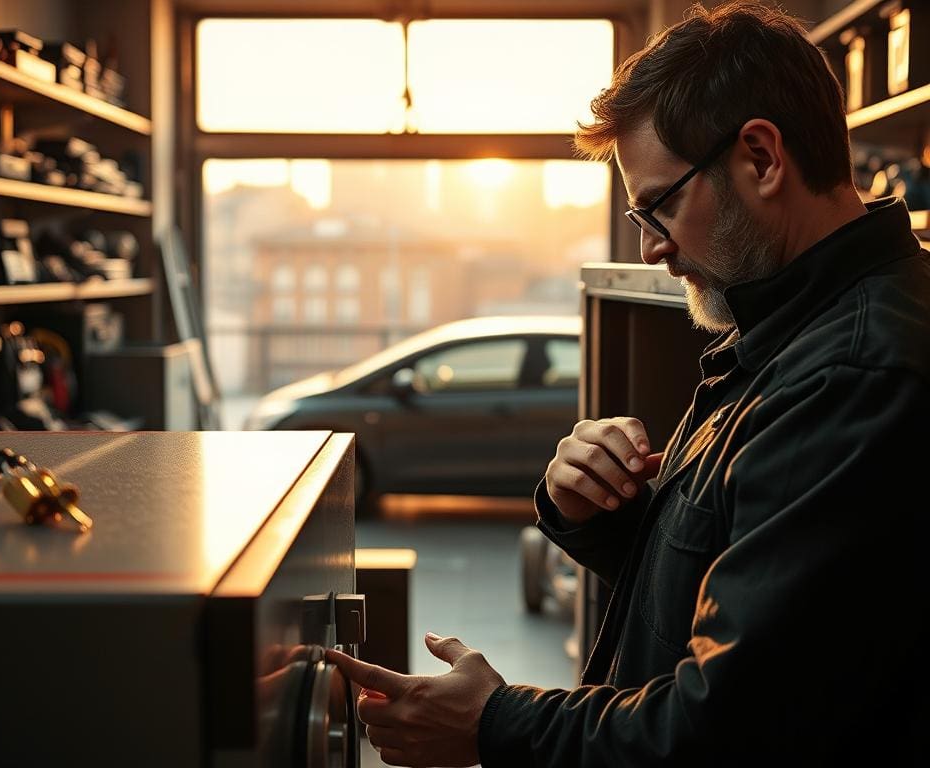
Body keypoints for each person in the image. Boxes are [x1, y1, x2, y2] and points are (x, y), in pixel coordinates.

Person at [327, 2, 930, 765]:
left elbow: (727, 729)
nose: (651, 249)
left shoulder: (853, 375)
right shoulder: (790, 328)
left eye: (660, 206)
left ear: (763, 159)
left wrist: (493, 723)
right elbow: (763, 600)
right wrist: (600, 513)